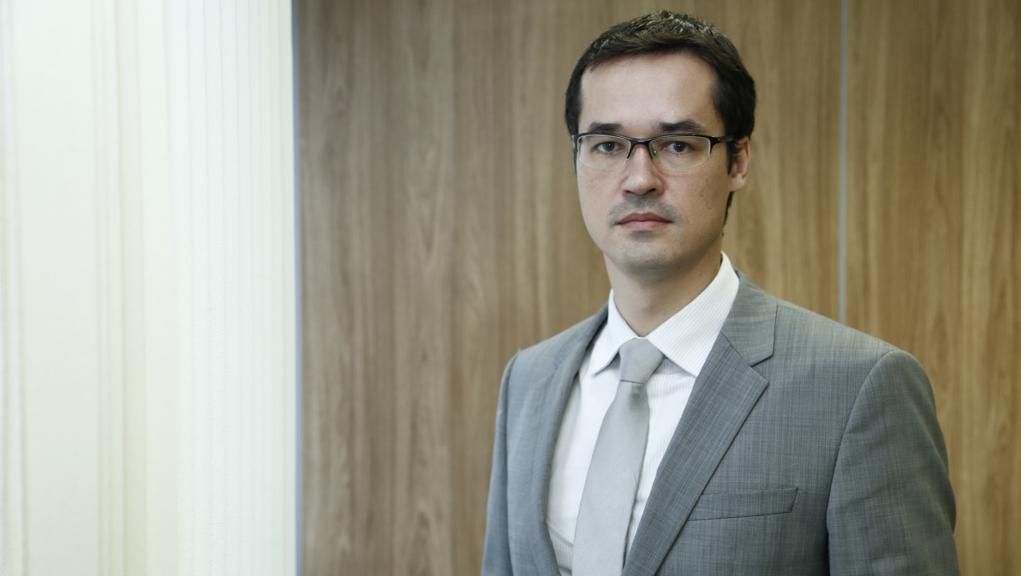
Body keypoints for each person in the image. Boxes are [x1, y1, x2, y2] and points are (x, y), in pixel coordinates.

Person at [481, 10, 959, 576]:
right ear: (576, 159)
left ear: (738, 161)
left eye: (678, 145)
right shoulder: (529, 380)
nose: (639, 178)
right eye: (607, 145)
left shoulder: (859, 388)